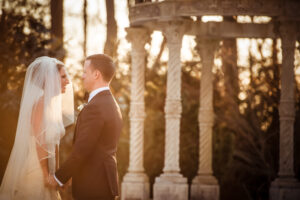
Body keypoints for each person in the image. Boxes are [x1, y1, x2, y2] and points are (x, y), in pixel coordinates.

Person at [49, 54, 123, 200]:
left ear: (96, 74)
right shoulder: (111, 103)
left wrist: (58, 178)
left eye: (85, 72)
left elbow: (82, 150)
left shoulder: (95, 107)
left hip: (93, 185)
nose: (82, 76)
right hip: (104, 183)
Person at [0, 56, 74, 200]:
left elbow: (55, 144)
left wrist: (58, 176)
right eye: (63, 77)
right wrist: (46, 174)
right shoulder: (40, 104)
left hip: (49, 170)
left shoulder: (52, 106)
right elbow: (40, 141)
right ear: (51, 79)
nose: (68, 81)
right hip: (38, 170)